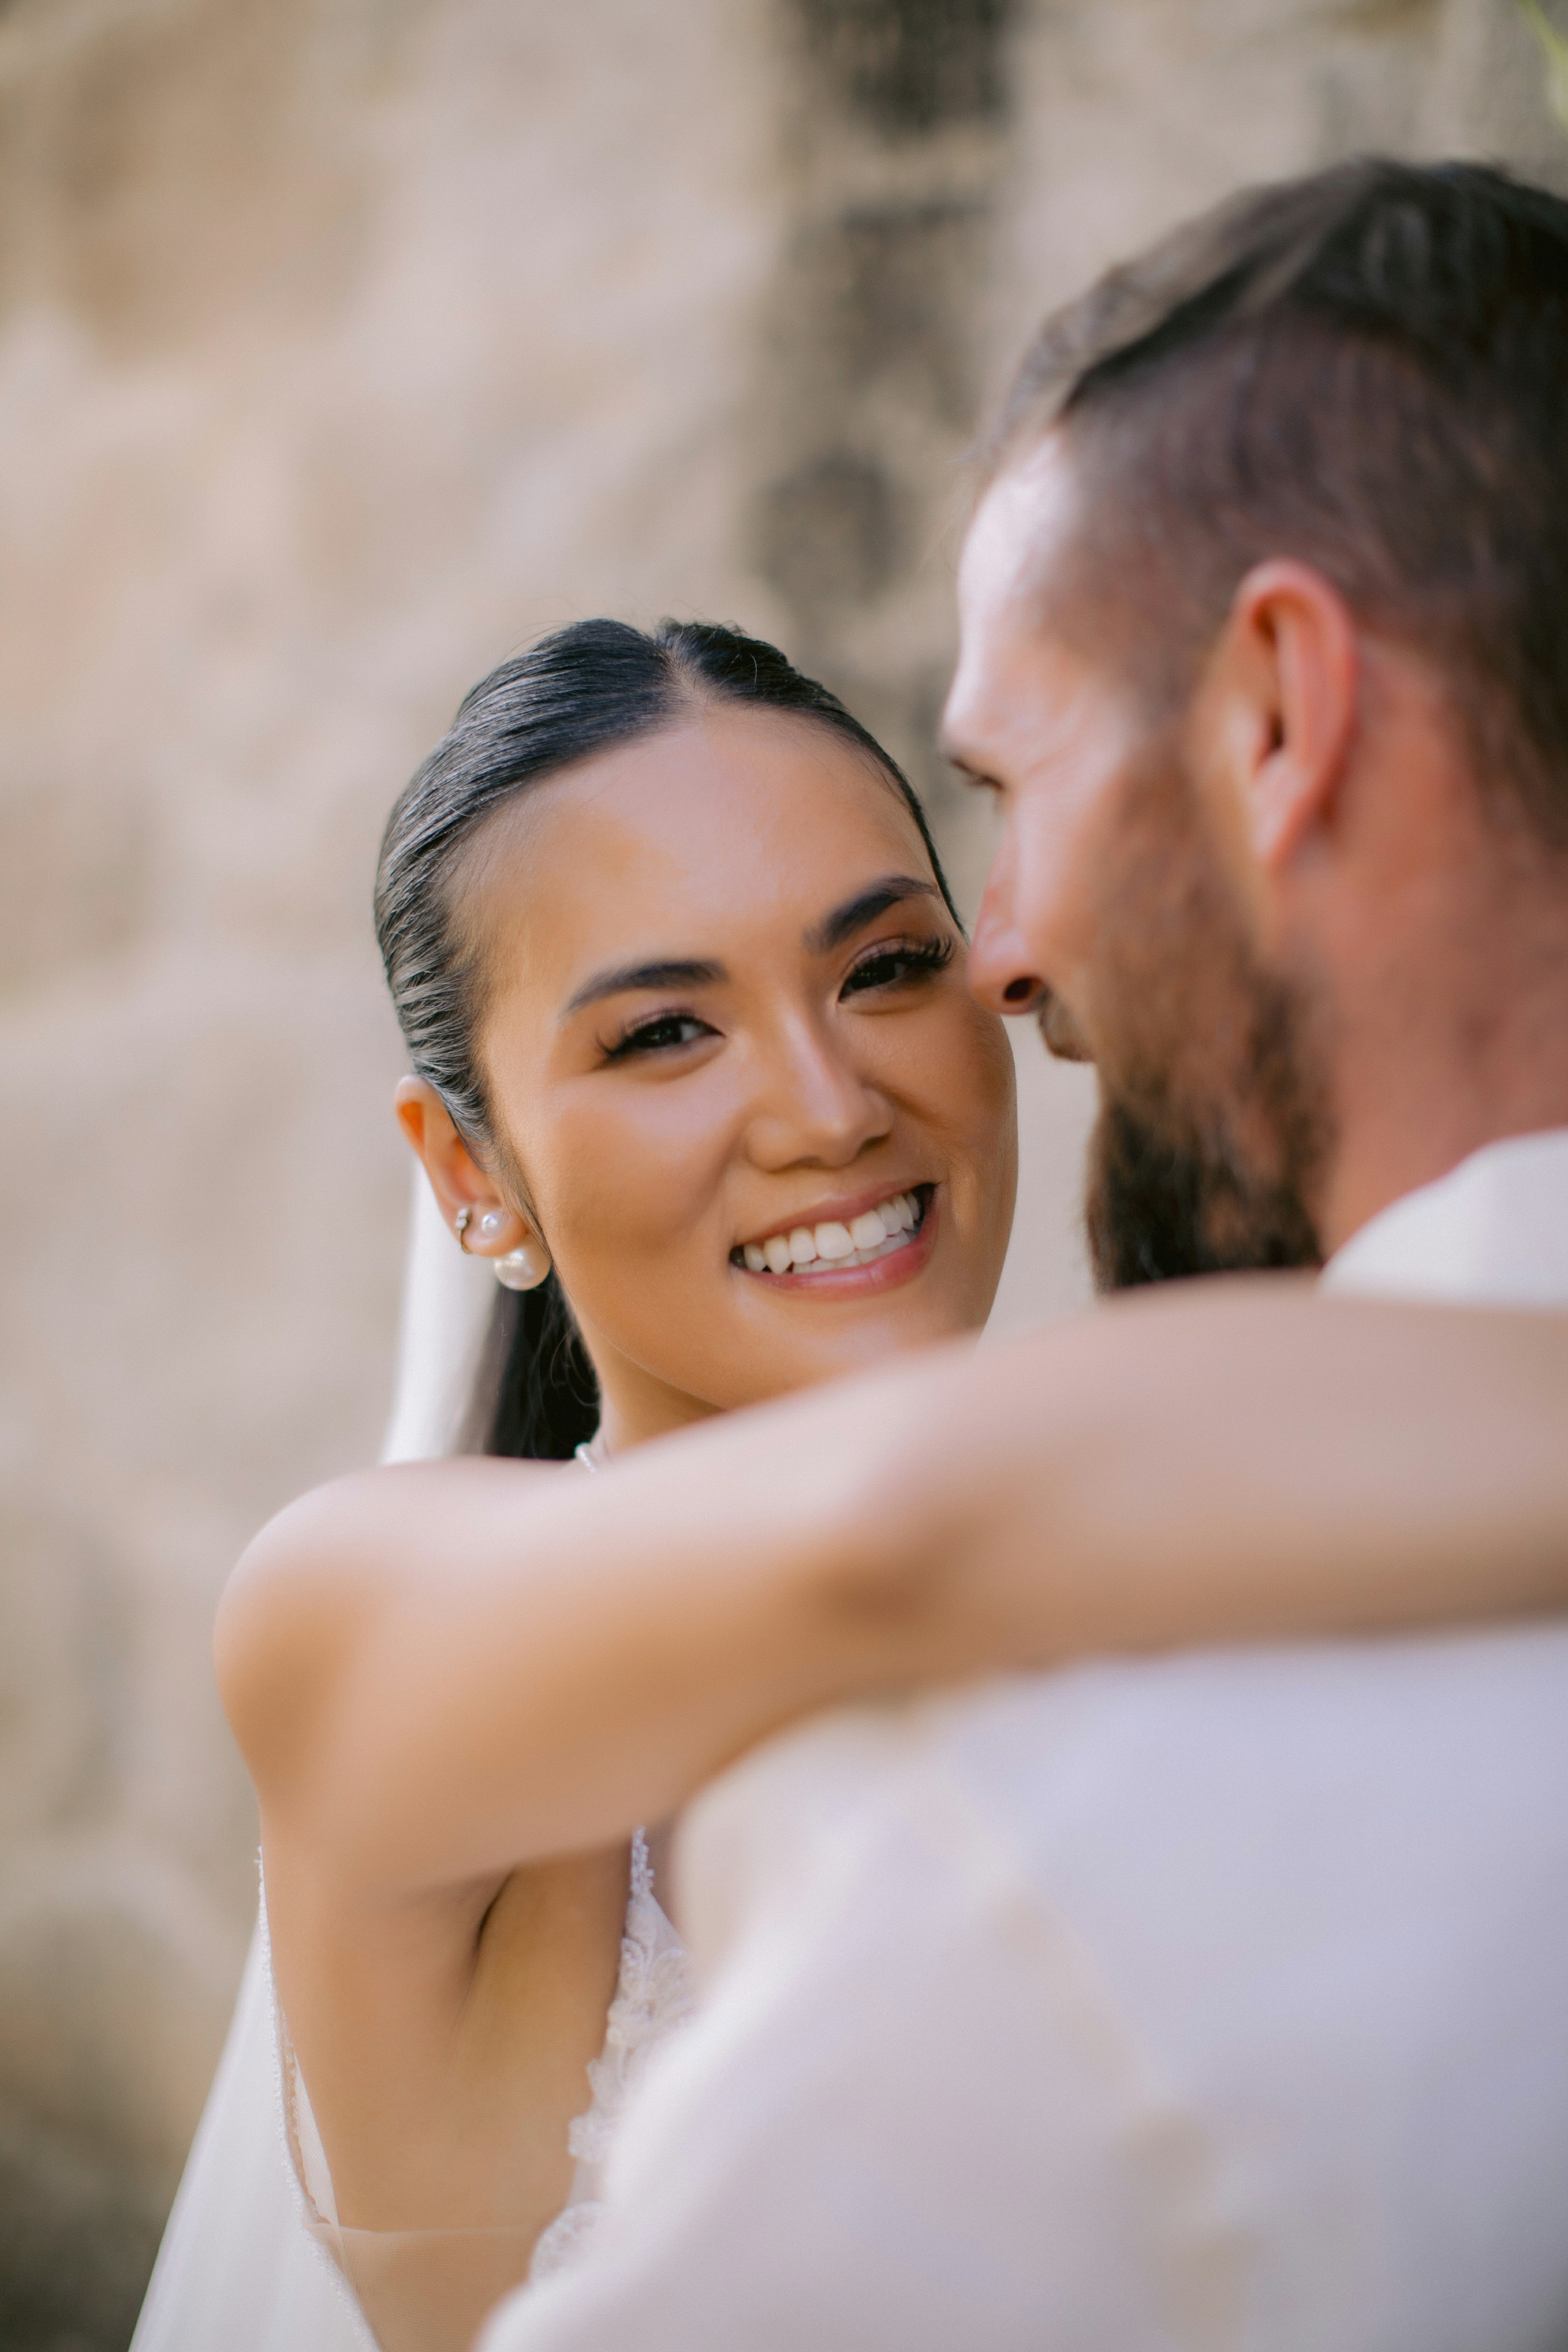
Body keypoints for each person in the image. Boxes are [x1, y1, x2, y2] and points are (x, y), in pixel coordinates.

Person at [140, 197, 1568, 2352]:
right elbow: (901, 1532)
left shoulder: (1173, 1523)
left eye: (888, 965)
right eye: (661, 1031)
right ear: (472, 1177)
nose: (830, 1103)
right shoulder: (357, 1611)